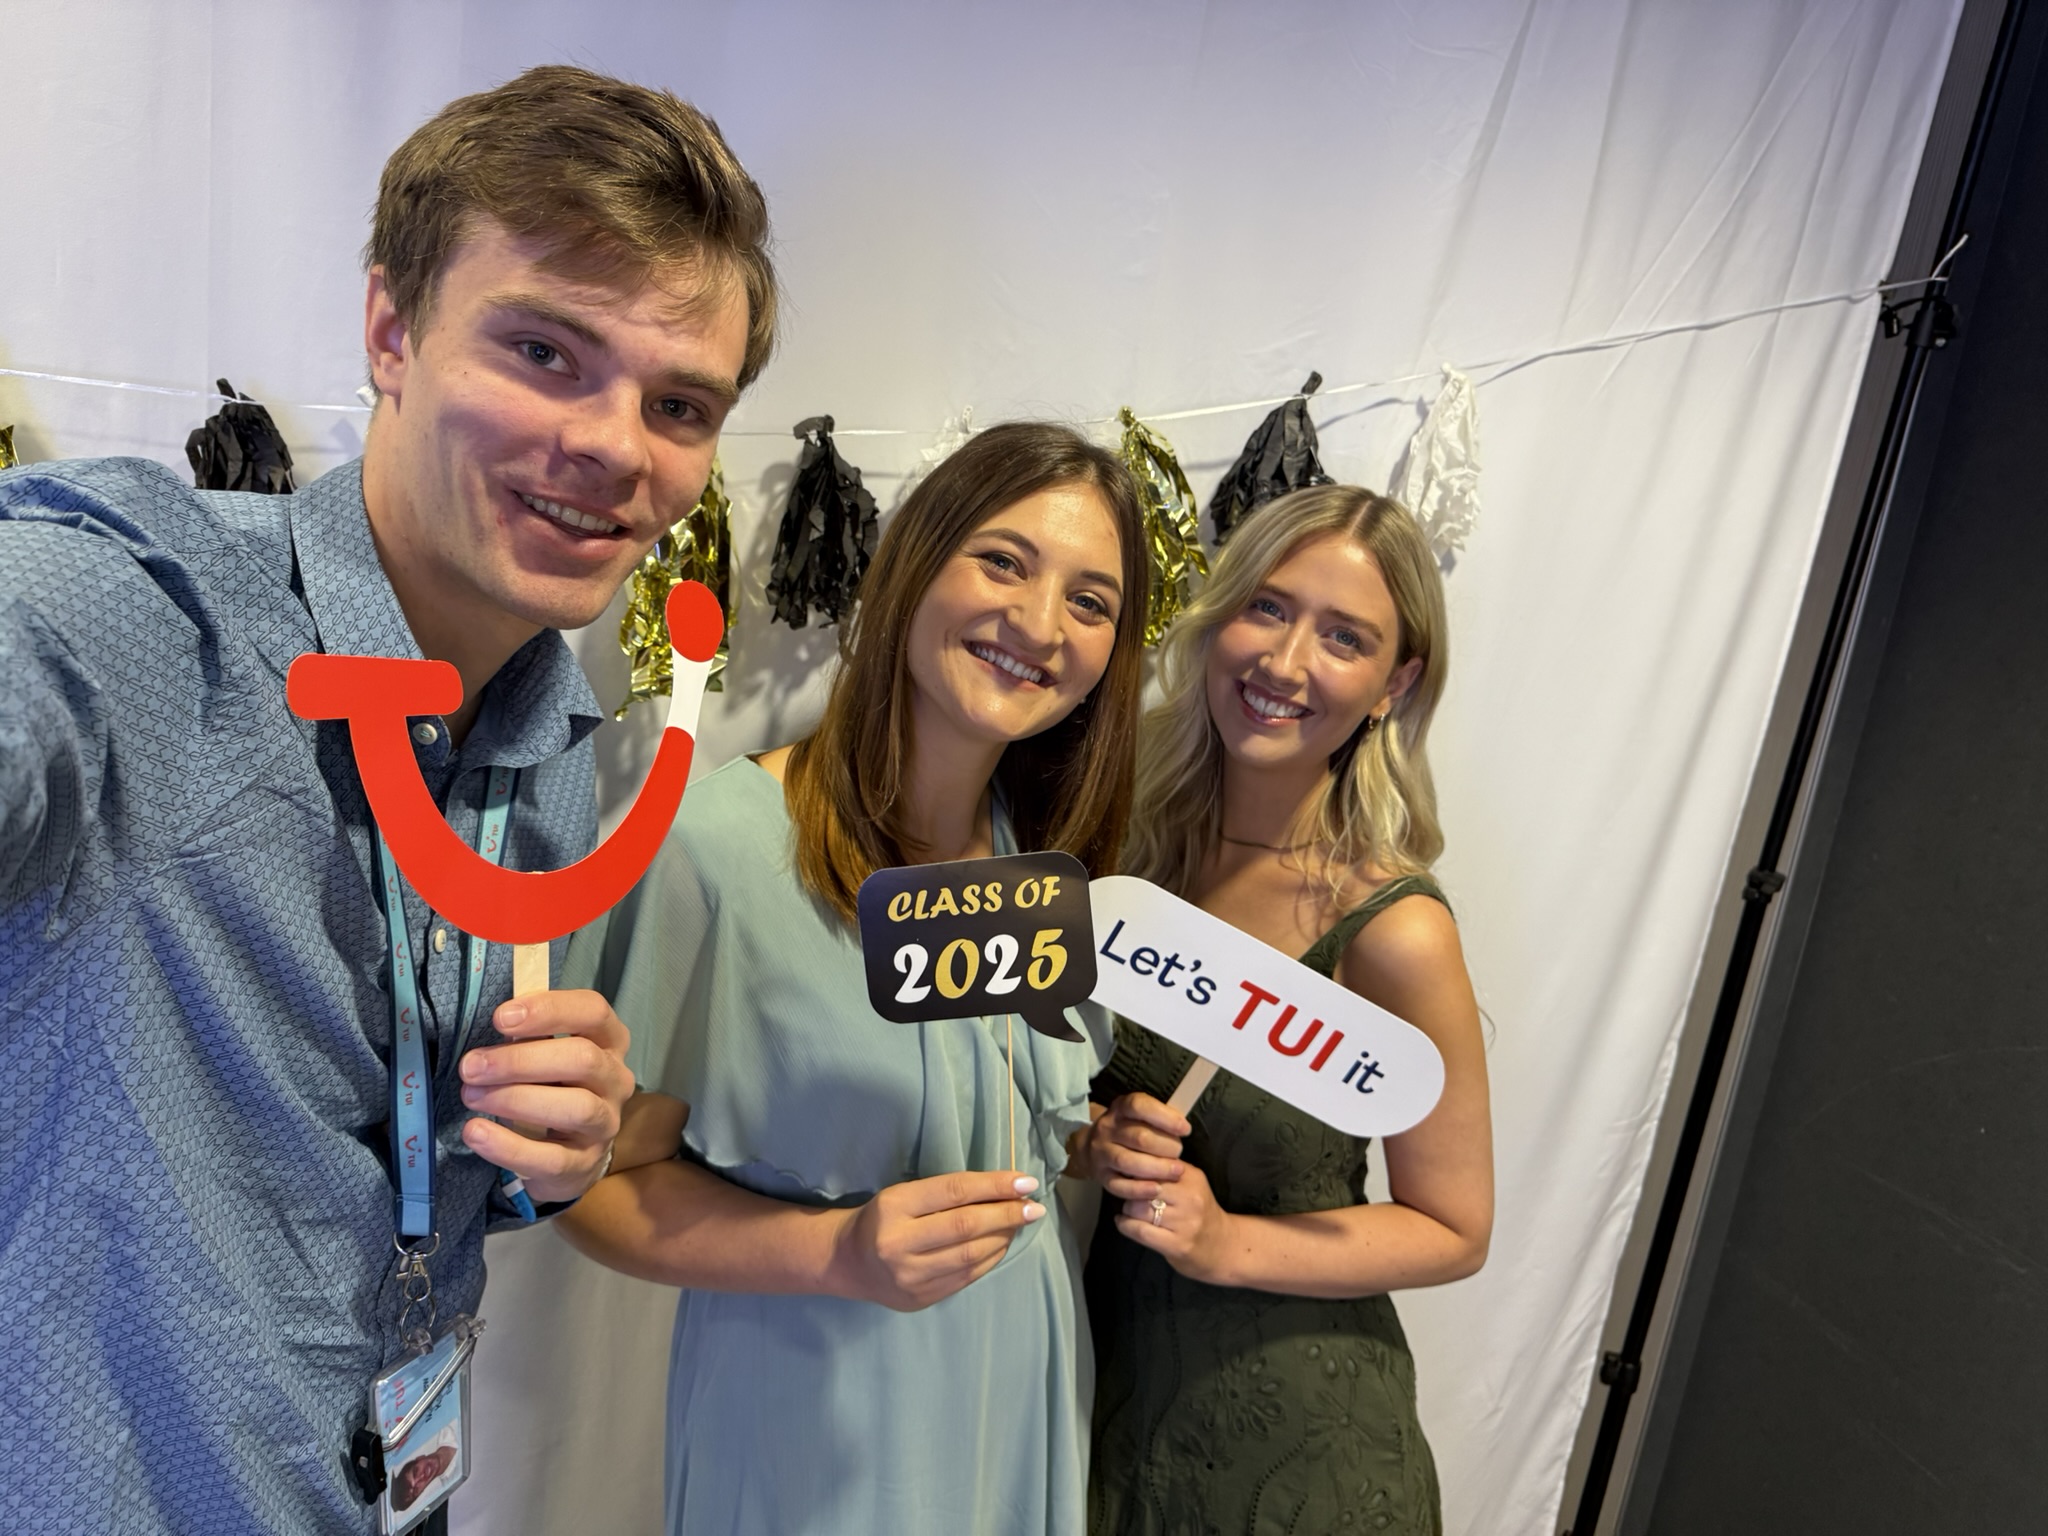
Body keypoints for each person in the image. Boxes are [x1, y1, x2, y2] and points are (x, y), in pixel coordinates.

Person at [0, 66, 776, 1535]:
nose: (618, 446)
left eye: (678, 402)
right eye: (544, 350)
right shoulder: (143, 608)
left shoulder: (545, 735)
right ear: (389, 331)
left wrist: (549, 1147)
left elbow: (419, 1164)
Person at [556, 421, 1150, 1535]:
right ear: (912, 564)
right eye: (1004, 561)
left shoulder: (1046, 862)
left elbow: (1000, 1110)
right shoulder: (712, 846)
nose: (1037, 624)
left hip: (1013, 1383)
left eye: (1090, 602)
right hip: (807, 1423)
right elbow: (589, 1189)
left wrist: (1092, 1142)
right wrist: (836, 1252)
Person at [1075, 485, 1493, 1535]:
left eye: (1342, 637)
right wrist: (1098, 1142)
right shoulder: (1115, 845)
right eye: (1267, 608)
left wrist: (1225, 1246)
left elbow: (1451, 1229)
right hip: (1109, 1402)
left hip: (1300, 1450)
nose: (1284, 662)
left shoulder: (1390, 928)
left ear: (1392, 684)